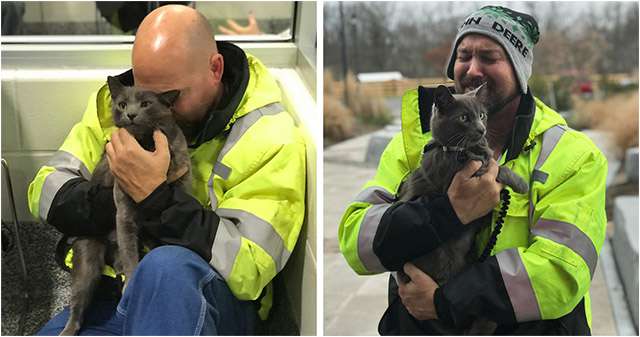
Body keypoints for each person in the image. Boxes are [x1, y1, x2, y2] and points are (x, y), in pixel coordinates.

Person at [28, 4, 306, 335]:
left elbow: (249, 267)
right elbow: (45, 191)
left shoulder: (269, 136)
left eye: (169, 97)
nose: (154, 110)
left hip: (204, 292)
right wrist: (120, 196)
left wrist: (158, 198)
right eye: (142, 90)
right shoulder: (118, 106)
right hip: (112, 286)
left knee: (167, 266)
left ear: (215, 69)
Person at [338, 6, 606, 335]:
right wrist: (444, 213)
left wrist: (447, 301)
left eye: (490, 57)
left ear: (519, 71)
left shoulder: (573, 155)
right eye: (463, 55)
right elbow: (357, 242)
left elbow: (562, 271)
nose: (473, 69)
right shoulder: (413, 145)